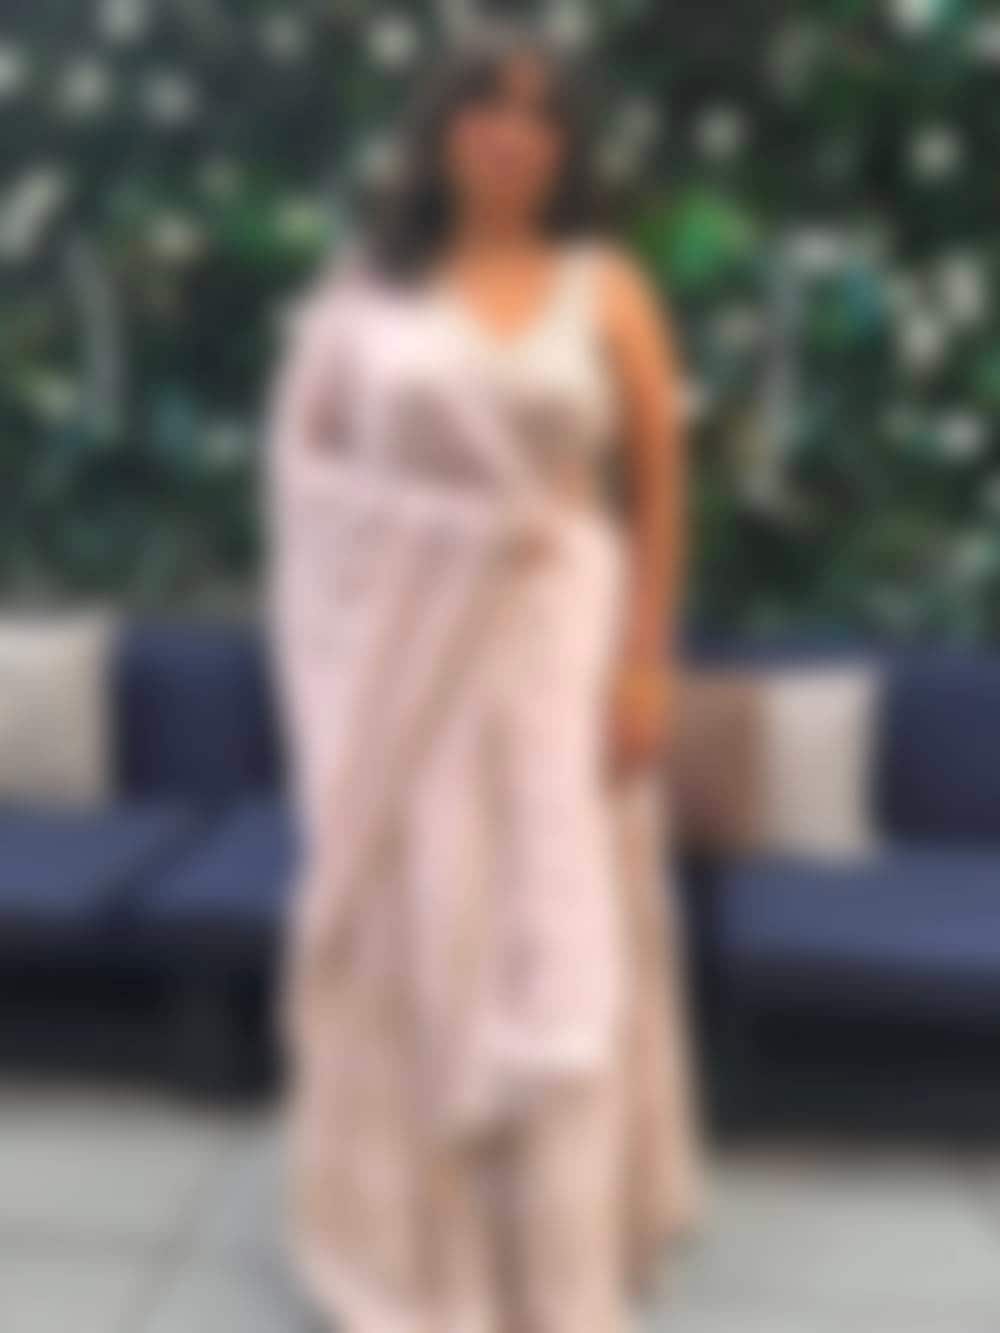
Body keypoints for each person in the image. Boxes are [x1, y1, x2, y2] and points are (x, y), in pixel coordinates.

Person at [268, 22, 701, 1333]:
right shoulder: (366, 293)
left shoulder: (606, 285)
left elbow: (658, 486)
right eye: (487, 106)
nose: (513, 134)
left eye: (540, 114)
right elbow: (308, 486)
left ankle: (558, 1263)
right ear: (442, 128)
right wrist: (442, 540)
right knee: (423, 918)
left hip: (560, 642)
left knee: (557, 922)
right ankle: (416, 1252)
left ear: (565, 146)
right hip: (408, 674)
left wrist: (645, 666)